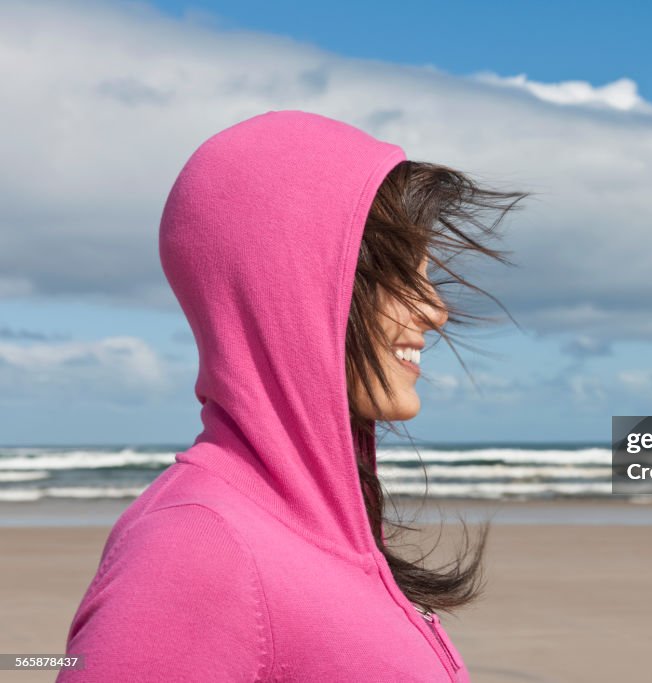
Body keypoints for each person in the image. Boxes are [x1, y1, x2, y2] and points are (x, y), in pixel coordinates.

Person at [58, 110, 527, 681]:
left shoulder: (303, 533)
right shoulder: (198, 548)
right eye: (398, 275)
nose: (434, 309)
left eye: (427, 275)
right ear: (290, 286)